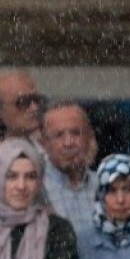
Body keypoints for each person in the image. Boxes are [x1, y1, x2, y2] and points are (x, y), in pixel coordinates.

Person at [40, 100, 99, 236]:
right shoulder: (35, 188)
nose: (68, 143)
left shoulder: (104, 187)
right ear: (44, 143)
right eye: (59, 135)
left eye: (76, 133)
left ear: (89, 137)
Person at [0, 70, 43, 140]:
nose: (34, 108)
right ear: (0, 111)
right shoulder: (3, 150)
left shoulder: (51, 144)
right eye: (23, 102)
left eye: (36, 99)